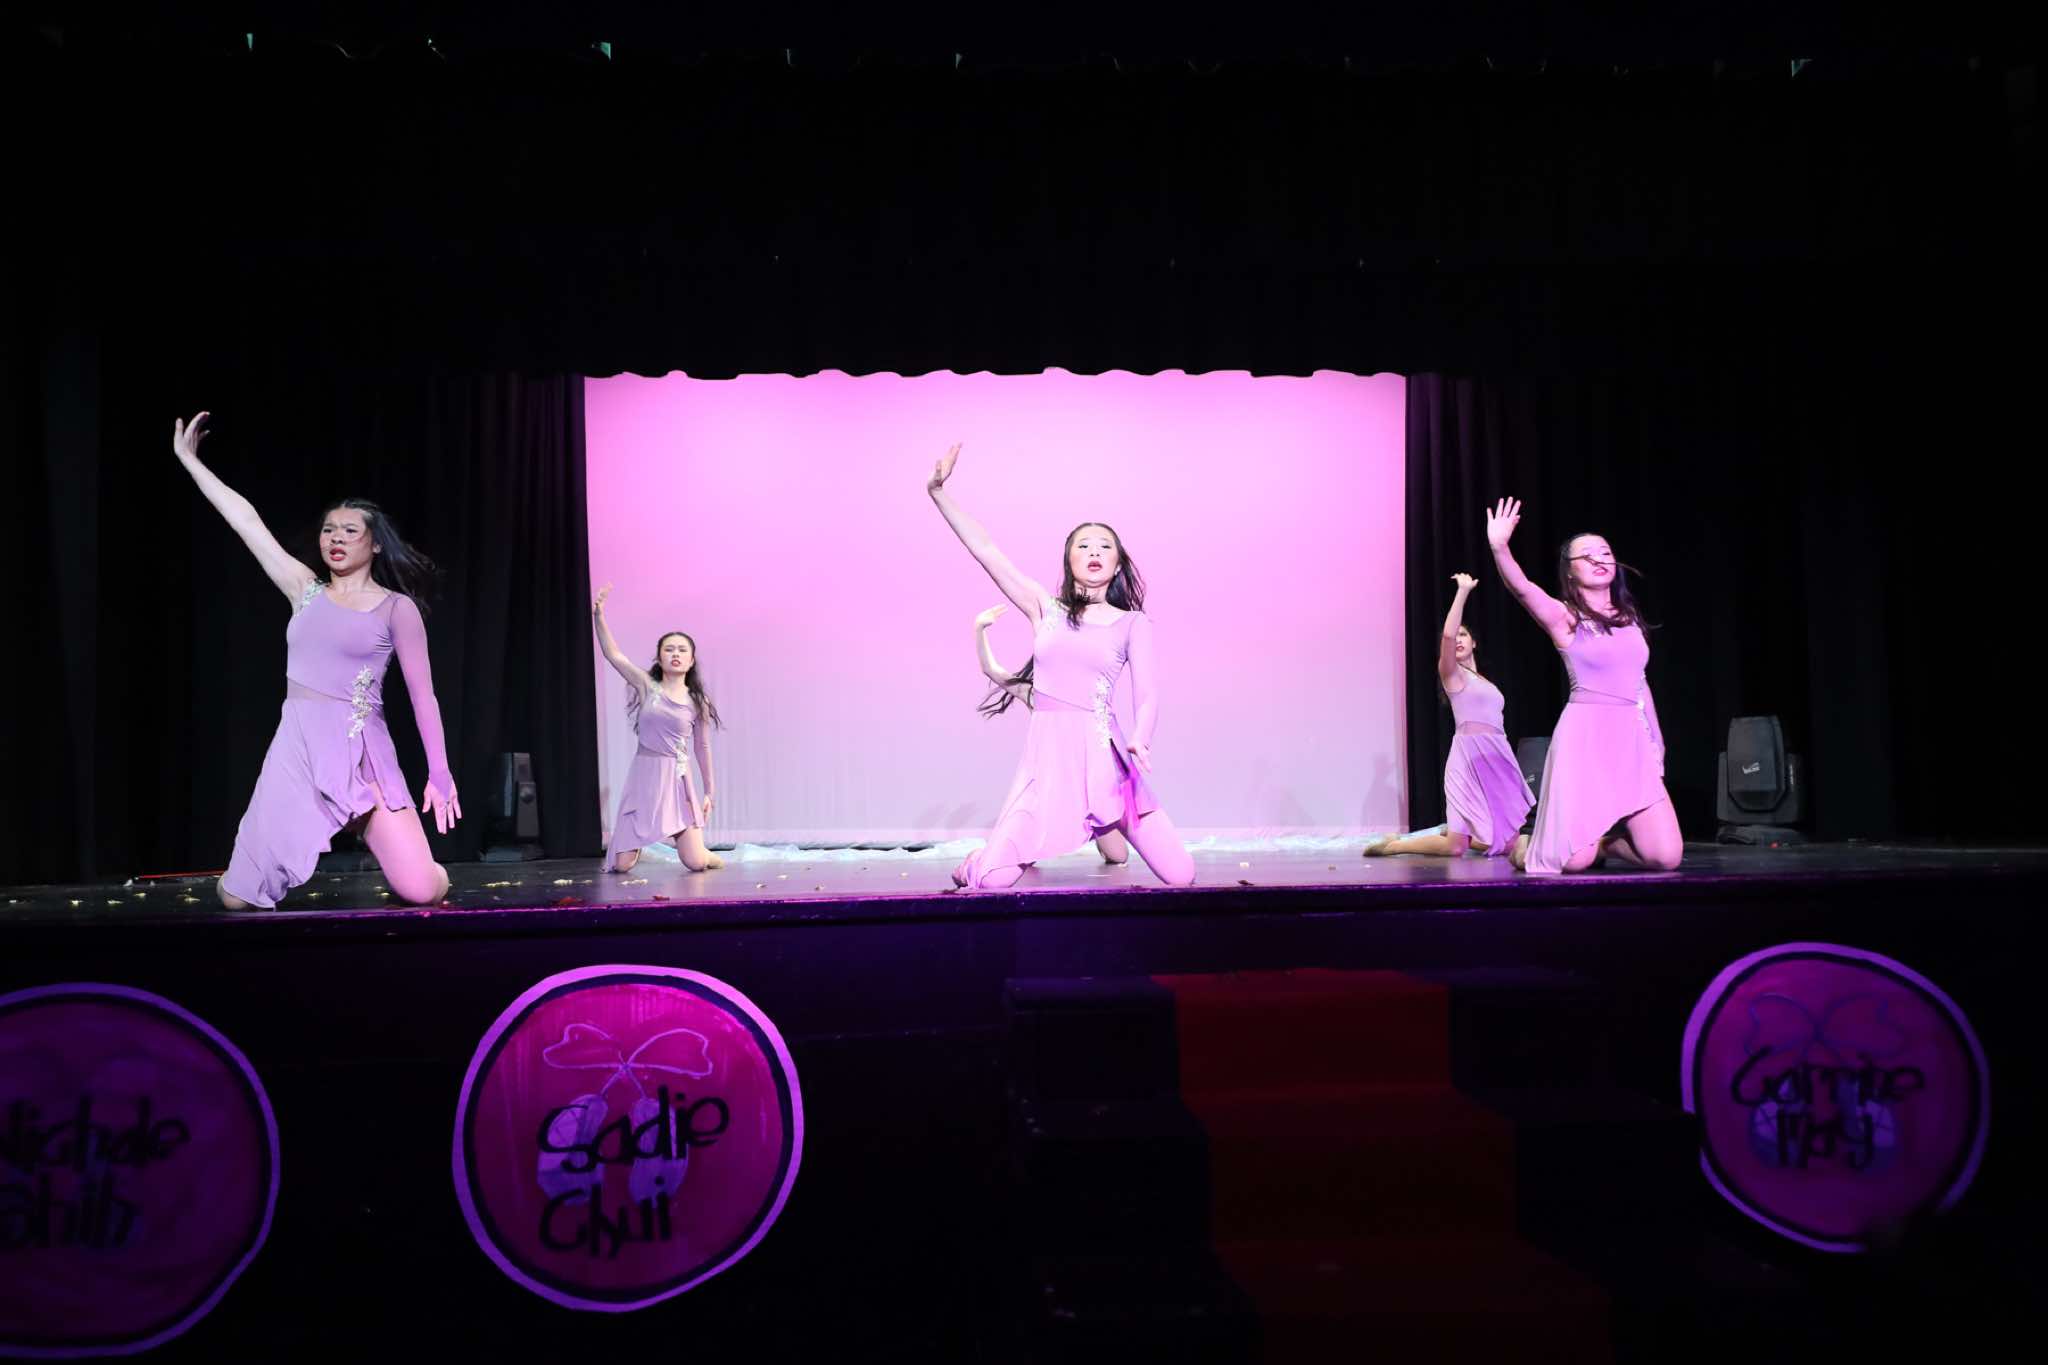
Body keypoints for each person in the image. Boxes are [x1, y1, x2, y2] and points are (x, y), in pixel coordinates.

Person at [173, 411, 459, 908]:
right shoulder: (304, 590)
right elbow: (247, 521)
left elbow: (423, 697)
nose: (336, 538)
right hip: (298, 752)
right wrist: (190, 462)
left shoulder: (397, 609)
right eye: (329, 530)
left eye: (349, 530)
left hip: (364, 759)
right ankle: (244, 868)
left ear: (375, 542)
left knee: (421, 891)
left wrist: (440, 772)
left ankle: (431, 869)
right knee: (236, 899)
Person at [928, 444, 1195, 890]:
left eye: (1104, 546)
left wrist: (1141, 738)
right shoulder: (1045, 609)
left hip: (1108, 766)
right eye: (1083, 545)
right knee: (992, 880)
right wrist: (938, 493)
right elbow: (987, 551)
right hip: (1048, 769)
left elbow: (1147, 693)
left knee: (1181, 875)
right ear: (1069, 560)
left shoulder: (1132, 623)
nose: (1094, 551)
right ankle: (976, 862)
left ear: (1117, 564)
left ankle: (1106, 829)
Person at [1485, 498, 1682, 873]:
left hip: (1630, 737)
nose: (1598, 559)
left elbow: (1639, 683)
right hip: (1585, 737)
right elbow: (1523, 589)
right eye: (1586, 556)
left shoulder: (1629, 617)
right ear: (1570, 571)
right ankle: (1525, 847)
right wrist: (1500, 547)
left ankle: (1606, 845)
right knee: (1574, 861)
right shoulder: (1565, 617)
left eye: (1605, 552)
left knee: (1665, 856)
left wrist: (1657, 740)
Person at [1366, 573, 1534, 858]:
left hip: (1496, 755)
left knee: (1507, 842)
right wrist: (1463, 591)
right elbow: (1447, 635)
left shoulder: (1485, 681)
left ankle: (1459, 832)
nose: (1458, 639)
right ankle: (1394, 845)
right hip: (1468, 756)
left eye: (1464, 635)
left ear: (1474, 643)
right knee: (1455, 848)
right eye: (1457, 636)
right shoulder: (1453, 675)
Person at [974, 604, 1133, 867]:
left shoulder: (1087, 694)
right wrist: (979, 629)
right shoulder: (1036, 695)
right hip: (1051, 790)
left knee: (1119, 857)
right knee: (1020, 856)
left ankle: (1091, 831)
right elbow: (992, 670)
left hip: (1088, 788)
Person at [591, 584, 725, 873]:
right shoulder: (646, 686)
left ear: (691, 660)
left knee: (696, 862)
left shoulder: (697, 701)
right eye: (669, 649)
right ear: (659, 657)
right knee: (620, 866)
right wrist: (599, 616)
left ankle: (709, 855)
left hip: (677, 780)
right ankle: (637, 844)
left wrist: (709, 792)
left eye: (682, 650)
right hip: (644, 776)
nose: (675, 654)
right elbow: (614, 655)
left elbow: (702, 747)